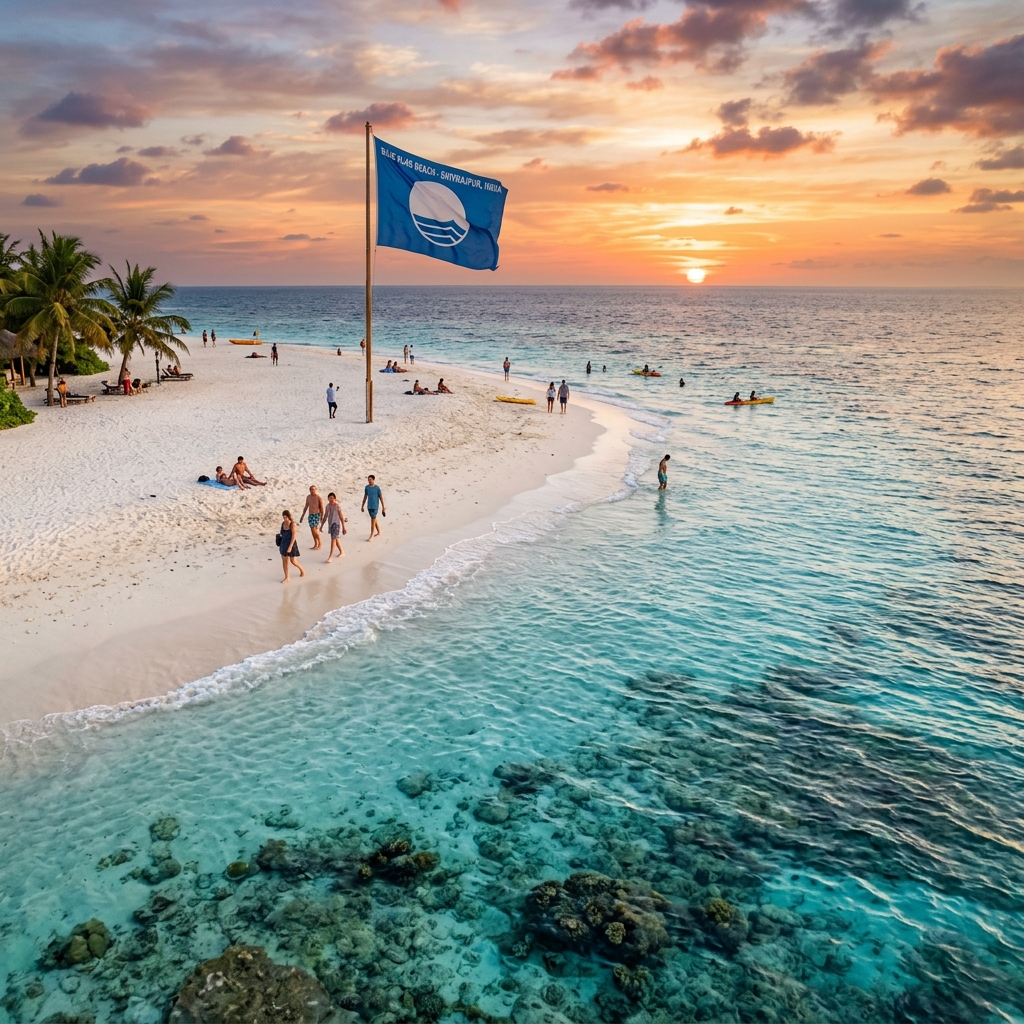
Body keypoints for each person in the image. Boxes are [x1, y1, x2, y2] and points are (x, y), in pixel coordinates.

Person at [278, 511, 305, 582]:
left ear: (289, 517)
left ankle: (302, 570)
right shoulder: (283, 524)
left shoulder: (292, 525)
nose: (285, 519)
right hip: (283, 543)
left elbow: (294, 537)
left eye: (286, 517)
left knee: (293, 560)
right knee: (284, 560)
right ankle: (287, 577)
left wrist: (290, 547)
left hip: (291, 544)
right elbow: (281, 533)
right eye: (283, 517)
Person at [300, 485, 325, 550]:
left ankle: (320, 543)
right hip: (311, 515)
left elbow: (322, 507)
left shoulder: (319, 497)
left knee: (315, 530)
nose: (312, 491)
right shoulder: (308, 497)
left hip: (317, 514)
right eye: (311, 489)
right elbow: (306, 507)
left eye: (314, 489)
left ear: (316, 490)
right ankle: (315, 543)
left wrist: (322, 517)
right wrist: (302, 516)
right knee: (312, 530)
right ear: (310, 490)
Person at [324, 492, 347, 562]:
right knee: (336, 539)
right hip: (331, 524)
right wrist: (321, 525)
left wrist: (344, 527)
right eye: (330, 498)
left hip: (336, 524)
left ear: (335, 499)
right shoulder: (327, 506)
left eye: (332, 498)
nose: (331, 499)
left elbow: (341, 517)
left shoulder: (337, 506)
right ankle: (342, 552)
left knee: (333, 539)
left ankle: (330, 557)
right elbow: (325, 516)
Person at [361, 474, 385, 540]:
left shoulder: (377, 488)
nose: (369, 481)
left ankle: (371, 535)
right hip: (369, 506)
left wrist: (383, 507)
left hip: (375, 506)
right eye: (368, 480)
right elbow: (365, 497)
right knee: (373, 518)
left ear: (374, 480)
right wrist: (362, 505)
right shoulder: (367, 488)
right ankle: (379, 532)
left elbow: (381, 497)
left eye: (371, 479)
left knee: (372, 520)